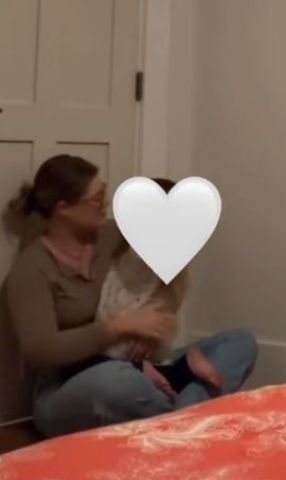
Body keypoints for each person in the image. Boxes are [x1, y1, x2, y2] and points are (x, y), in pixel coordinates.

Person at [0, 155, 257, 437]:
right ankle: (185, 417)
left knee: (240, 344)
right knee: (115, 381)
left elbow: (170, 261)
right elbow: (42, 351)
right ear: (64, 208)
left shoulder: (113, 234)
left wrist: (153, 322)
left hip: (142, 365)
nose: (106, 203)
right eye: (96, 199)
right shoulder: (32, 268)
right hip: (68, 386)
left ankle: (176, 423)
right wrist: (120, 327)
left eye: (104, 193)